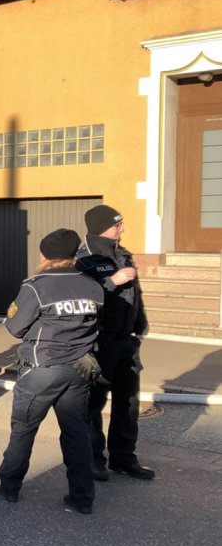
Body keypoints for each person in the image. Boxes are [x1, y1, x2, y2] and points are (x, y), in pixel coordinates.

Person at [0, 229, 104, 514]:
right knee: (76, 432)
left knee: (24, 430)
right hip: (79, 369)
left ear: (44, 255)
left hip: (42, 370)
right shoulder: (93, 286)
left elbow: (15, 327)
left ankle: (9, 488)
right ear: (72, 256)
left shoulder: (36, 286)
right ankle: (82, 497)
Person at [76, 204, 155, 481]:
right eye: (117, 224)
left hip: (126, 343)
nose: (122, 228)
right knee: (93, 405)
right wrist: (112, 281)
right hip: (97, 343)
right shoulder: (83, 260)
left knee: (128, 404)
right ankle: (94, 458)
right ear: (101, 227)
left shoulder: (123, 254)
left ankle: (123, 458)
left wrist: (141, 324)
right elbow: (81, 298)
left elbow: (136, 293)